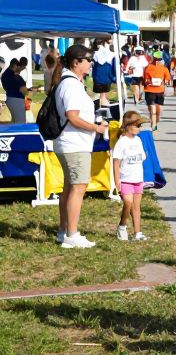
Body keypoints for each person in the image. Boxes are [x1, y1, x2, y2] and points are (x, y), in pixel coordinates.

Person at [53, 44, 108, 248]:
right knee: (78, 188)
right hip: (74, 144)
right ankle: (71, 234)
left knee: (69, 187)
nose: (91, 63)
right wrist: (96, 127)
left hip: (71, 143)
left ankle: (64, 230)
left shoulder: (71, 82)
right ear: (77, 62)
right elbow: (72, 117)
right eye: (88, 60)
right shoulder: (71, 85)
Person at [112, 110, 148, 240]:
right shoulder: (122, 142)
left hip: (138, 179)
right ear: (127, 126)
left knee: (136, 207)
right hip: (125, 179)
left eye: (140, 126)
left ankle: (137, 233)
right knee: (128, 202)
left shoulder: (138, 140)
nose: (139, 128)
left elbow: (143, 157)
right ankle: (122, 226)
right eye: (136, 125)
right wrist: (117, 181)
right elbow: (116, 162)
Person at [142, 55, 171, 131]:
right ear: (153, 59)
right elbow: (145, 79)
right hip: (150, 90)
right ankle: (154, 126)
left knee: (159, 111)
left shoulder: (164, 68)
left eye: (159, 59)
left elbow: (167, 78)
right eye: (156, 59)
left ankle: (154, 122)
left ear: (161, 60)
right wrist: (149, 81)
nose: (157, 61)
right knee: (152, 109)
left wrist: (164, 82)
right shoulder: (148, 67)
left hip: (160, 91)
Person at [91, 40, 118, 111]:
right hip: (107, 77)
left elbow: (93, 67)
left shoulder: (95, 54)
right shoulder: (112, 54)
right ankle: (103, 110)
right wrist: (115, 77)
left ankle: (102, 109)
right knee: (103, 95)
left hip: (97, 77)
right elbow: (114, 67)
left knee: (102, 95)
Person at [2, 58, 28, 124]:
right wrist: (28, 91)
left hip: (12, 99)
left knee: (14, 122)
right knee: (20, 123)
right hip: (16, 100)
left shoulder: (6, 74)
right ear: (15, 66)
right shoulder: (11, 75)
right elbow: (22, 89)